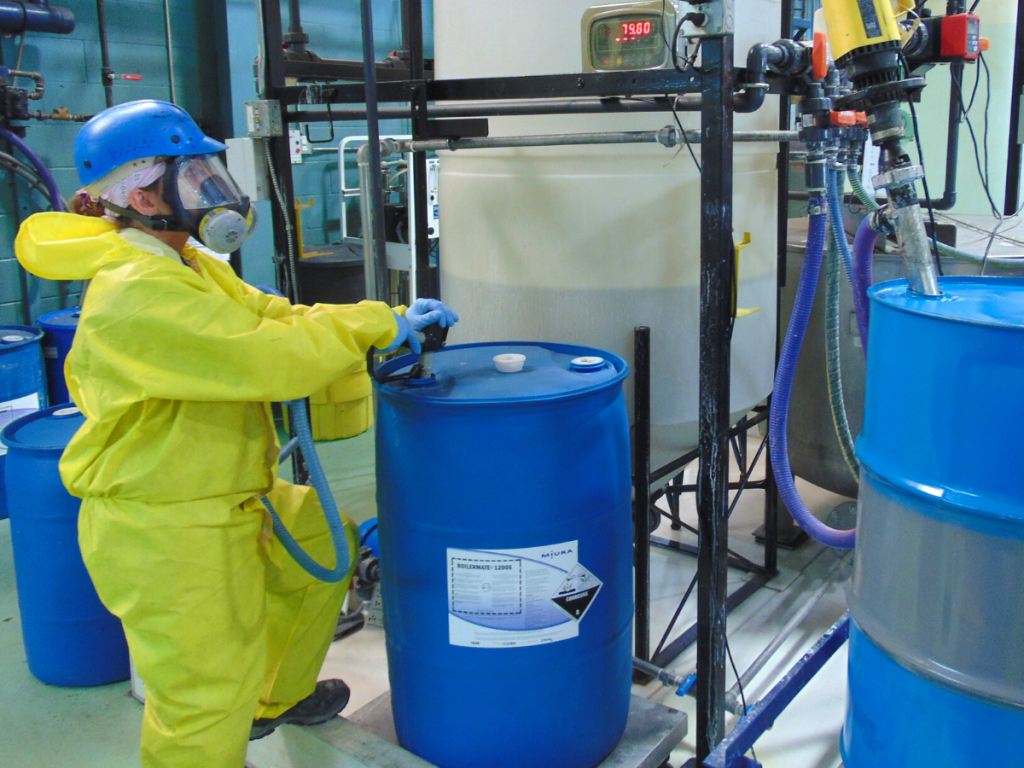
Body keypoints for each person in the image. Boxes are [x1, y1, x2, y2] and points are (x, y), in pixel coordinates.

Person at [14, 100, 458, 768]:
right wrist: (371, 328)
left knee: (319, 542)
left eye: (208, 171)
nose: (213, 189)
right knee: (200, 696)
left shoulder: (189, 262)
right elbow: (266, 356)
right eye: (192, 174)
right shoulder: (135, 291)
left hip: (226, 490)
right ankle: (227, 714)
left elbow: (276, 316)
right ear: (140, 193)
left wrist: (389, 316)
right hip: (166, 521)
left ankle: (269, 699)